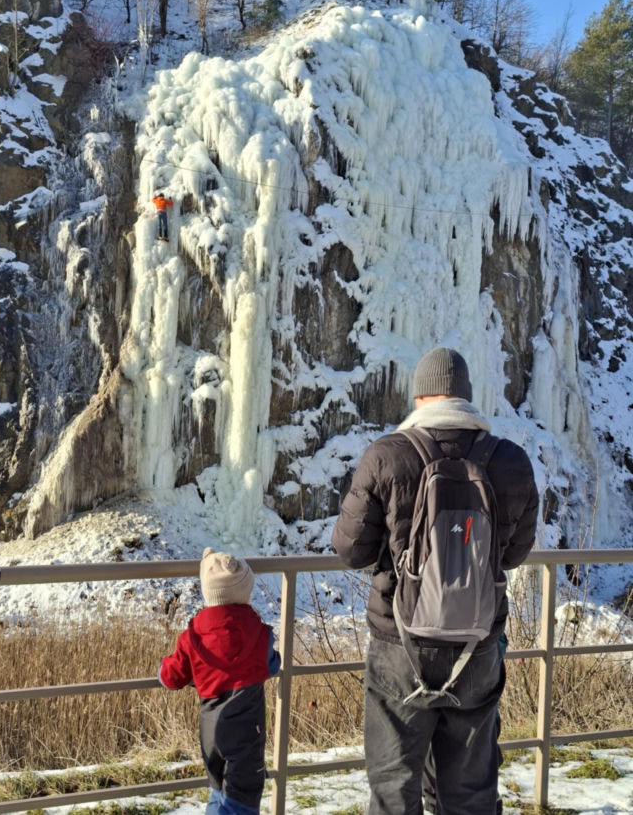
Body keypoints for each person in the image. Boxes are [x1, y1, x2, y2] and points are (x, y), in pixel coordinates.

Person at [331, 347, 538, 815]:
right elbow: (515, 553)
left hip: (400, 640)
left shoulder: (387, 455)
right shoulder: (511, 461)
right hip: (477, 644)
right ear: (466, 396)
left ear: (419, 395)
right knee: (470, 791)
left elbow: (350, 549)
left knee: (393, 787)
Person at [159, 547, 281, 815]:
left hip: (212, 732)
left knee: (219, 791)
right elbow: (273, 664)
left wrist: (163, 669)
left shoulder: (193, 636)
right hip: (248, 733)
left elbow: (170, 678)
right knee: (240, 800)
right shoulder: (259, 633)